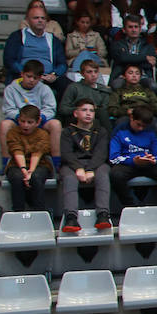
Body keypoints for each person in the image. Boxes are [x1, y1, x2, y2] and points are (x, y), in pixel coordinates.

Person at [59, 99, 112, 233]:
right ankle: (71, 217)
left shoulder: (101, 131)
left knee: (103, 174)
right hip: (73, 164)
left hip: (96, 163)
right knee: (69, 178)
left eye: (91, 111)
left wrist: (90, 169)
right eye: (84, 110)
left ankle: (103, 215)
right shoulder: (67, 132)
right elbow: (67, 153)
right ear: (76, 113)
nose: (88, 113)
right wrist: (79, 168)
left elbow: (101, 153)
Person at [109, 107, 157, 210]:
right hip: (128, 164)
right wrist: (133, 160)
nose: (141, 128)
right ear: (131, 118)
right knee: (116, 175)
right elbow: (113, 158)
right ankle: (130, 207)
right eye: (138, 125)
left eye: (144, 126)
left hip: (149, 164)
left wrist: (153, 160)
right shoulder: (120, 131)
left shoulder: (151, 132)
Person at [4, 106, 53, 213]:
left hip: (40, 164)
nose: (25, 125)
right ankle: (18, 212)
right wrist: (23, 170)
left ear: (37, 122)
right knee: (17, 178)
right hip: (16, 165)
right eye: (23, 121)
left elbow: (37, 152)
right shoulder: (12, 133)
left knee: (36, 177)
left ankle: (40, 212)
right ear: (18, 120)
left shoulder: (43, 134)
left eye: (30, 122)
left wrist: (30, 171)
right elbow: (17, 151)